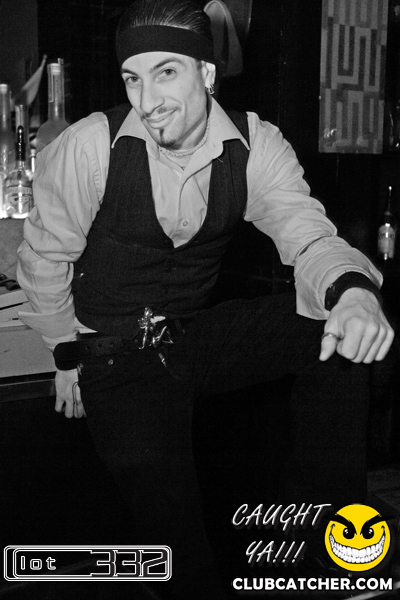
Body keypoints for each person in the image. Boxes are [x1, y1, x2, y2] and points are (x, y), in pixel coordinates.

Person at [17, 0, 394, 597]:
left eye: (166, 72)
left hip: (191, 337)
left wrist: (351, 292)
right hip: (115, 358)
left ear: (207, 73)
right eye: (133, 78)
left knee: (333, 331)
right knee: (182, 559)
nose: (148, 99)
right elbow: (44, 258)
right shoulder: (91, 145)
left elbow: (308, 234)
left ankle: (329, 547)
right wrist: (66, 354)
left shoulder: (255, 142)